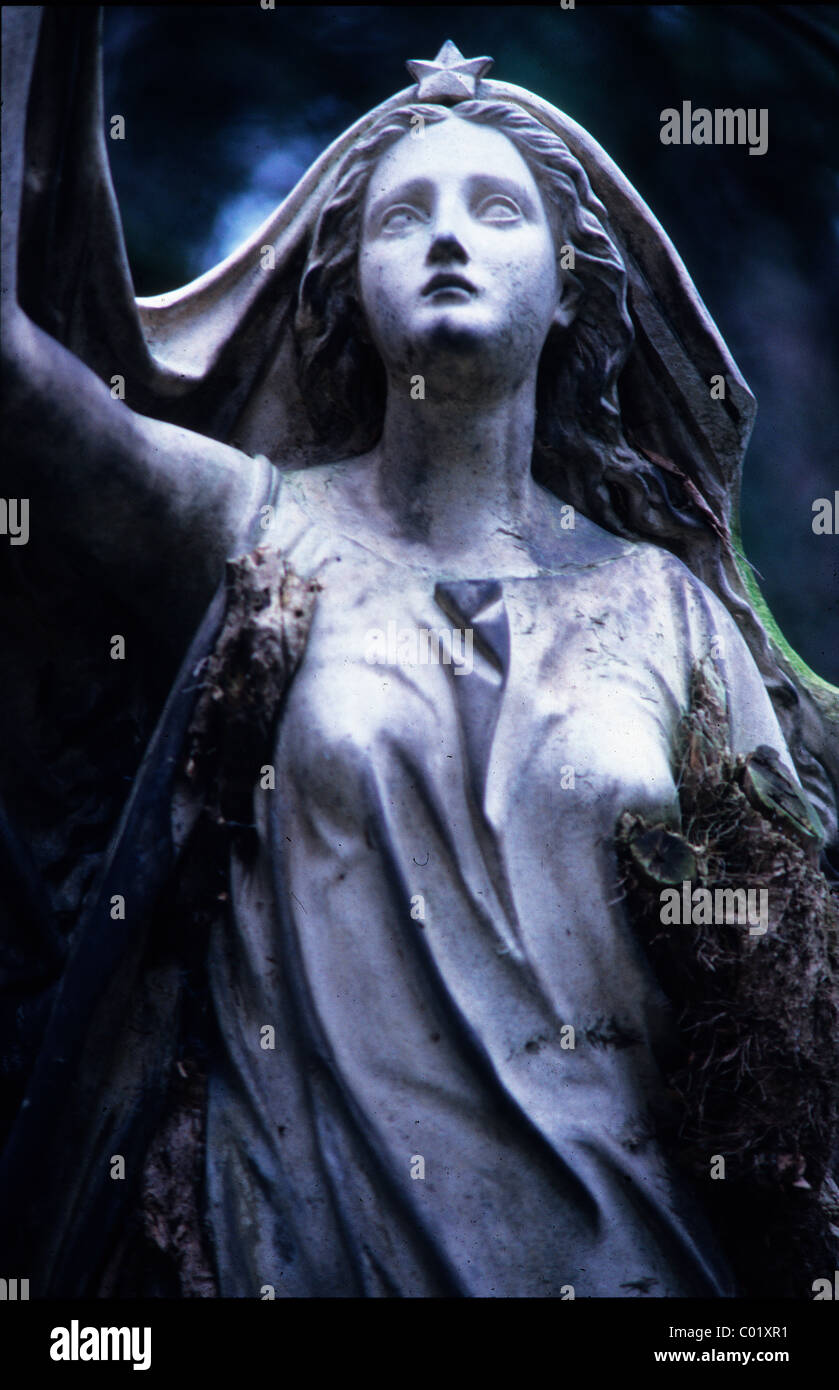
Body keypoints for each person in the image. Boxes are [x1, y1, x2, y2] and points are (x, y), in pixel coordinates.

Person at [1, 20, 836, 1298]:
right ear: (340, 289)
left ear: (568, 287)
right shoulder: (251, 533)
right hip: (295, 1246)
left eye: (495, 209)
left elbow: (783, 1007)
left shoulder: (665, 611)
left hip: (629, 1265)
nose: (447, 236)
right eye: (402, 218)